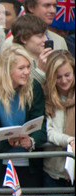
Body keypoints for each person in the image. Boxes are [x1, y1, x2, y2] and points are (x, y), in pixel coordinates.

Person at [0, 44, 47, 188]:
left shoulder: (34, 88)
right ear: (7, 70)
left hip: (29, 165)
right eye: (21, 68)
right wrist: (6, 141)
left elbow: (41, 125)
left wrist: (32, 141)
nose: (27, 72)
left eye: (28, 67)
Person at [42, 50, 75, 187]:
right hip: (53, 171)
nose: (63, 81)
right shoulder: (46, 98)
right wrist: (69, 140)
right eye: (58, 76)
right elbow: (48, 131)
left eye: (67, 75)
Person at [11, 14, 53, 84]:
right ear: (24, 38)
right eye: (40, 36)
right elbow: (24, 90)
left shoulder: (49, 57)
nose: (46, 40)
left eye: (46, 35)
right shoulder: (12, 60)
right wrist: (40, 71)